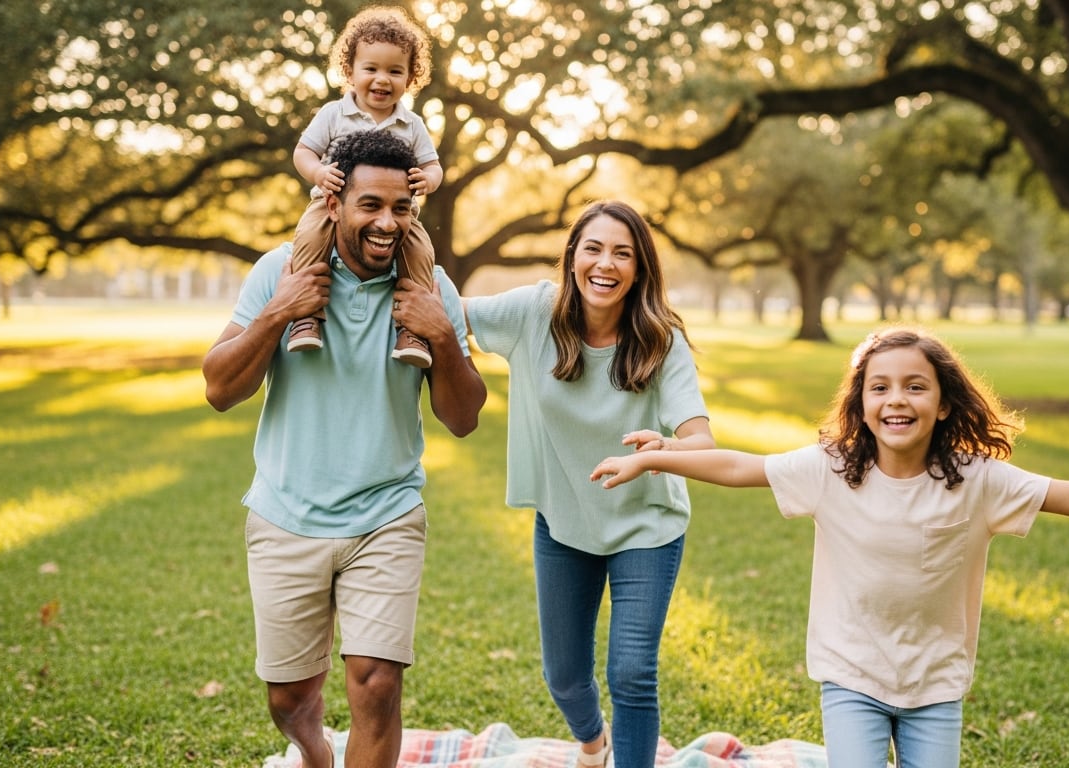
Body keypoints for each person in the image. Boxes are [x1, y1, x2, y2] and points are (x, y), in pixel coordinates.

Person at [589, 326, 1069, 768]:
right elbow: (741, 467)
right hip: (852, 676)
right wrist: (660, 459)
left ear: (944, 404)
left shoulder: (980, 481)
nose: (897, 399)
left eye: (916, 386)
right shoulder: (831, 469)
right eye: (880, 387)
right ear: (860, 403)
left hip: (936, 685)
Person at [203, 129, 486, 768]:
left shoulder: (429, 285)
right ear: (334, 203)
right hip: (284, 513)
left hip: (386, 514)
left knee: (378, 684)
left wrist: (442, 336)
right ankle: (314, 752)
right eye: (371, 206)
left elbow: (463, 419)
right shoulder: (282, 270)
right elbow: (220, 387)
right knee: (289, 698)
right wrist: (279, 313)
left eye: (401, 209)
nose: (387, 223)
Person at [462, 200, 716, 768]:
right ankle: (592, 742)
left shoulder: (660, 340)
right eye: (594, 248)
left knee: (632, 672)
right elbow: (444, 310)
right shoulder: (534, 312)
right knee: (565, 677)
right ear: (572, 256)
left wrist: (655, 455)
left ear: (640, 269)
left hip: (645, 526)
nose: (606, 264)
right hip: (564, 522)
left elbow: (703, 445)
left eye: (623, 253)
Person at [287, 4, 443, 368]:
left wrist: (428, 180)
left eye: (395, 71)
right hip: (328, 204)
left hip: (398, 213)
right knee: (308, 240)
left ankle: (412, 330)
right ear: (350, 71)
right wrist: (318, 174)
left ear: (410, 77)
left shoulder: (411, 124)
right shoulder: (333, 114)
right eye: (370, 68)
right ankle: (306, 317)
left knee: (421, 253)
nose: (382, 79)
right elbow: (303, 152)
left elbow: (434, 165)